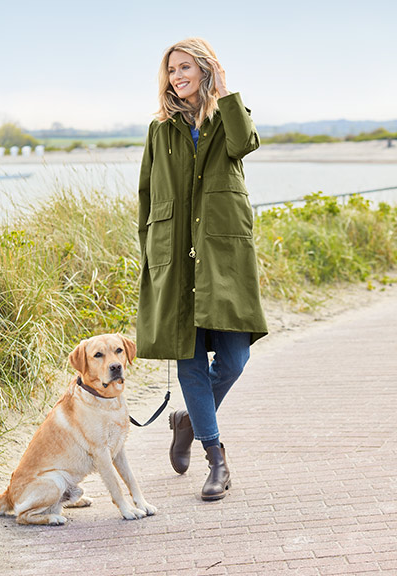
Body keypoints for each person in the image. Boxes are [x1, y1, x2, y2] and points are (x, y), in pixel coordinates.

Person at [136, 38, 267, 501]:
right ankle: (217, 457)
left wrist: (224, 92)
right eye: (171, 69)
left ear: (207, 69)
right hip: (174, 260)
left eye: (185, 67)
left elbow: (245, 143)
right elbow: (147, 200)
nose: (176, 76)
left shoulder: (227, 116)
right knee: (189, 360)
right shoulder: (160, 130)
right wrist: (152, 259)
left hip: (223, 258)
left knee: (234, 359)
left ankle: (189, 419)